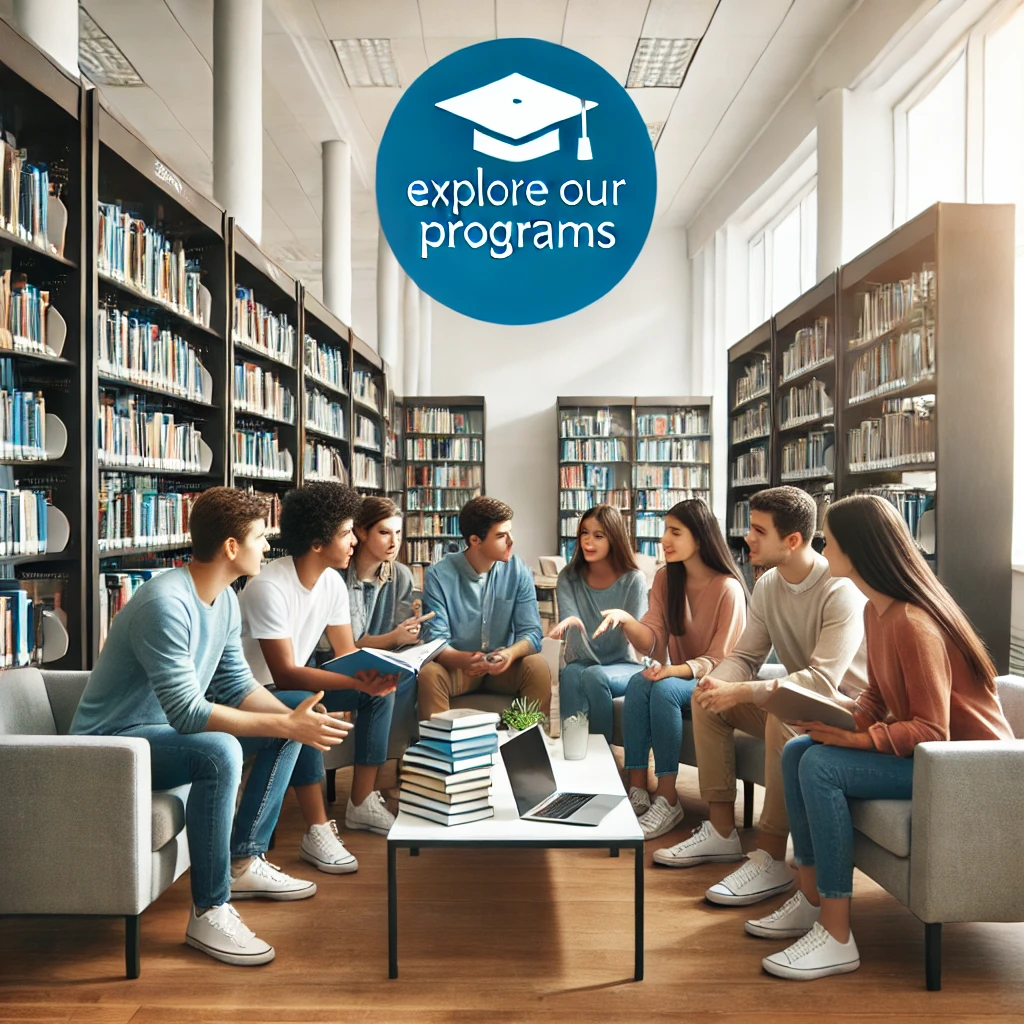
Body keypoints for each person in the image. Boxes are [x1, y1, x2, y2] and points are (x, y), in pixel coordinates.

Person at [71, 488, 349, 966]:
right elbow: (187, 713)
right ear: (230, 547)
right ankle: (210, 909)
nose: (268, 546)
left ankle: (245, 857)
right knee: (220, 750)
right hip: (113, 746)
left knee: (295, 710)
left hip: (157, 737)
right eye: (261, 538)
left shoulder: (222, 601)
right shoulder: (165, 603)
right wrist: (284, 723)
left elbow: (237, 683)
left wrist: (292, 720)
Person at [755, 495, 1014, 980]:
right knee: (798, 750)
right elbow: (877, 696)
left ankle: (837, 938)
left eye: (828, 542)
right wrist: (833, 720)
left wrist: (852, 742)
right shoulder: (878, 611)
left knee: (820, 764)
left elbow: (932, 731)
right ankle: (812, 902)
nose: (821, 548)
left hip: (967, 770)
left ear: (857, 550)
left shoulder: (914, 624)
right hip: (932, 757)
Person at [654, 486, 868, 911]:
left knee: (782, 715)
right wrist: (716, 684)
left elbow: (822, 681)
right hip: (795, 698)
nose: (746, 538)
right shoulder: (769, 583)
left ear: (792, 541)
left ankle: (771, 856)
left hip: (849, 712)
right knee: (706, 698)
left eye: (757, 530)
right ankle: (721, 832)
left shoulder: (839, 590)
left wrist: (746, 690)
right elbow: (745, 656)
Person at [239, 483, 400, 872]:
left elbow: (346, 656)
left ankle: (361, 802)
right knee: (308, 701)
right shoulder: (267, 587)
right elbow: (285, 673)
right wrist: (355, 681)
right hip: (253, 691)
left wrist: (377, 675)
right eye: (346, 533)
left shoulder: (330, 582)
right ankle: (316, 829)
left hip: (292, 685)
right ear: (316, 542)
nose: (353, 542)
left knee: (380, 694)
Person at [594, 499, 747, 840]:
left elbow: (721, 660)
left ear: (702, 537)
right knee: (638, 683)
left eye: (675, 532)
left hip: (719, 683)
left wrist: (674, 671)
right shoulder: (666, 579)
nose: (665, 539)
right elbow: (652, 639)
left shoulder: (728, 588)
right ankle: (637, 790)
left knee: (661, 688)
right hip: (681, 676)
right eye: (665, 530)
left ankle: (667, 797)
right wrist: (627, 619)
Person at [418, 496, 551, 721]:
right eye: (501, 536)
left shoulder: (519, 571)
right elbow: (435, 640)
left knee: (536, 666)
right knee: (429, 673)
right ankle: (440, 749)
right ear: (475, 540)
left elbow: (532, 633)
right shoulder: (439, 575)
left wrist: (510, 654)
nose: (511, 541)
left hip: (503, 667)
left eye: (510, 532)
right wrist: (466, 660)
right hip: (458, 667)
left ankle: (528, 743)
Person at [550, 504, 648, 743]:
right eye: (584, 533)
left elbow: (640, 642)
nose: (588, 542)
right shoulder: (568, 578)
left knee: (593, 676)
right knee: (571, 673)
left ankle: (602, 758)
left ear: (613, 538)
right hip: (584, 664)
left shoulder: (633, 581)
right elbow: (573, 629)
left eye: (598, 535)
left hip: (624, 666)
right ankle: (573, 754)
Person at [347, 496, 419, 649]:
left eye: (398, 533)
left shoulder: (401, 575)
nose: (394, 543)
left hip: (388, 663)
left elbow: (404, 637)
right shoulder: (337, 575)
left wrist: (410, 632)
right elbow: (343, 647)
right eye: (385, 533)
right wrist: (395, 637)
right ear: (361, 532)